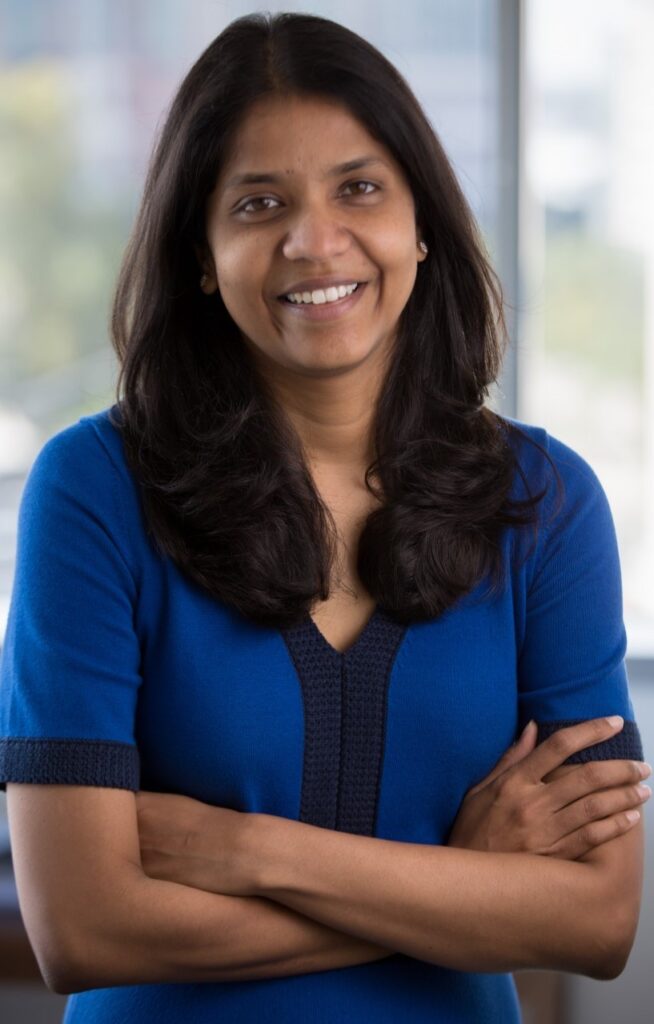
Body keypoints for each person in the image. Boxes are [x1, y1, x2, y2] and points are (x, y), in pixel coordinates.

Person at [0, 11, 649, 1023]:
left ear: (421, 223)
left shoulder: (547, 503)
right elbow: (80, 929)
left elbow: (597, 921)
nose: (314, 241)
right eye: (259, 203)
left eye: (360, 188)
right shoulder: (92, 490)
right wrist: (457, 882)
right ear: (202, 256)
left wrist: (250, 851)